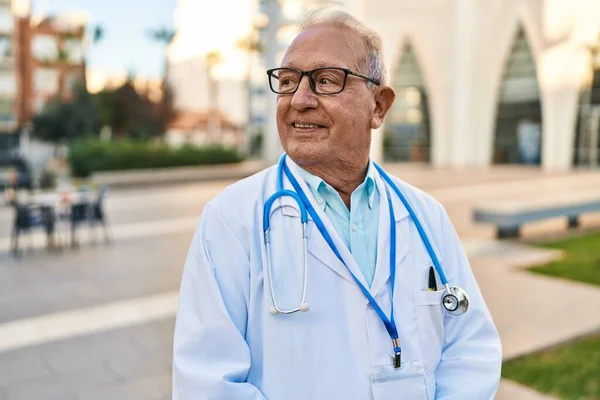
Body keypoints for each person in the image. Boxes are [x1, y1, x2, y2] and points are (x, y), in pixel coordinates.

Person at [173, 8, 502, 400]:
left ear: (378, 105)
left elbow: (471, 348)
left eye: (326, 81)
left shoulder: (425, 216)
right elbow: (207, 384)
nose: (299, 99)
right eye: (289, 81)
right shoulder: (230, 221)